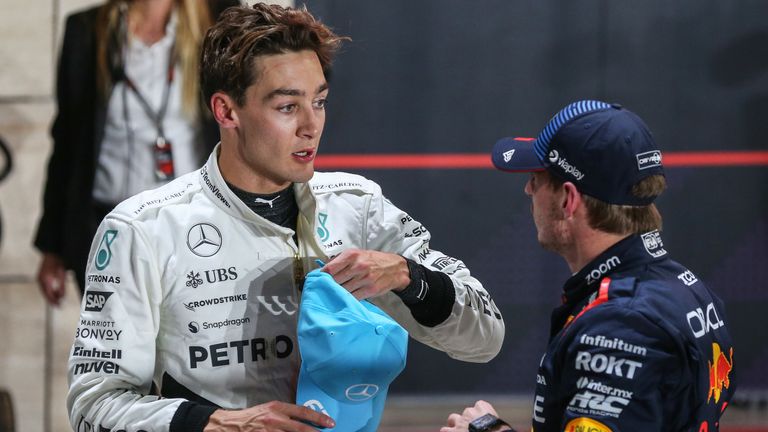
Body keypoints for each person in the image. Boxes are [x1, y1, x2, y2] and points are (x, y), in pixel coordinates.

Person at [67, 4, 505, 432]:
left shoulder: (360, 206)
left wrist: (410, 278)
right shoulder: (142, 229)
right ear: (226, 111)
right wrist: (220, 423)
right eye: (287, 107)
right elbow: (93, 405)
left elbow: (486, 338)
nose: (311, 126)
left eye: (319, 101)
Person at [442, 100, 735, 432]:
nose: (528, 189)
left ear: (568, 200)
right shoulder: (688, 288)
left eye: (537, 178)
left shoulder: (619, 325)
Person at [34, 0, 240, 307]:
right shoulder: (87, 30)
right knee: (121, 350)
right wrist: (52, 247)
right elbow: (67, 141)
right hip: (107, 226)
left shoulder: (220, 19)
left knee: (189, 346)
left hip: (194, 225)